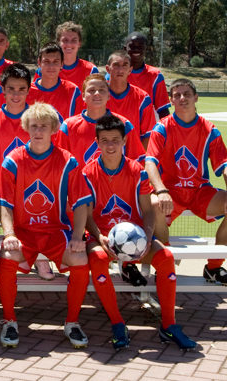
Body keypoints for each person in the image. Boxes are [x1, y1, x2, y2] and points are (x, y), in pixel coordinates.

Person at [83, 114, 197, 350]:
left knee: (165, 258)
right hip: (104, 237)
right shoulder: (87, 173)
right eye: (105, 140)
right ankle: (117, 323)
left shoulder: (138, 171)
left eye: (116, 139)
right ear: (97, 143)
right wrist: (98, 236)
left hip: (136, 238)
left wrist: (146, 237)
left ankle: (169, 325)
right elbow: (86, 214)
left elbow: (147, 210)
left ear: (125, 141)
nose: (111, 145)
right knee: (97, 259)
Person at [0, 102, 93, 349]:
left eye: (44, 126)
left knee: (80, 259)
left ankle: (72, 322)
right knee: (7, 255)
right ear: (26, 128)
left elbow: (81, 203)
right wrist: (8, 233)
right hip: (24, 232)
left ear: (54, 130)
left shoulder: (67, 161)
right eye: (34, 126)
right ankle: (9, 320)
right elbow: (5, 204)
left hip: (56, 232)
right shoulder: (13, 161)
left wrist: (78, 235)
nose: (38, 131)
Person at [146, 79, 227, 286]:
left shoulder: (209, 130)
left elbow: (226, 164)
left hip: (199, 191)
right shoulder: (162, 128)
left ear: (196, 97)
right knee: (154, 204)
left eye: (187, 94)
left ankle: (214, 267)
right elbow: (150, 163)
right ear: (171, 101)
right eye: (177, 95)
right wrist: (161, 190)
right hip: (170, 191)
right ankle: (165, 262)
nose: (182, 98)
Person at [0, 63, 55, 281]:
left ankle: (40, 256)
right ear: (3, 90)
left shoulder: (39, 120)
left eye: (21, 89)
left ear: (29, 90)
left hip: (31, 192)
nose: (16, 94)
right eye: (11, 89)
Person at [54, 73, 146, 169]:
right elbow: (60, 163)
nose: (97, 93)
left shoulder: (123, 124)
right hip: (79, 183)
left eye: (102, 90)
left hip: (115, 183)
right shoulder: (68, 126)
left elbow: (137, 161)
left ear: (109, 96)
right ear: (83, 96)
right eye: (91, 90)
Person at [105, 50, 157, 149]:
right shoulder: (98, 96)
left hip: (132, 159)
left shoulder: (142, 98)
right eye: (116, 65)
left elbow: (148, 135)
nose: (120, 70)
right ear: (108, 69)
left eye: (125, 65)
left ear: (130, 70)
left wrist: (136, 159)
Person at [28, 42, 84, 122]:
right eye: (46, 61)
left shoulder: (72, 90)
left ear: (62, 64)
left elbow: (79, 122)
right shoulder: (27, 91)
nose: (51, 66)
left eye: (56, 62)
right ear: (39, 63)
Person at [34, 22, 98, 87]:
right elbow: (35, 95)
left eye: (74, 40)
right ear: (58, 42)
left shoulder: (91, 70)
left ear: (79, 43)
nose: (69, 44)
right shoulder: (43, 70)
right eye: (65, 40)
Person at [124, 32, 170, 119]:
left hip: (146, 129)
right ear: (125, 48)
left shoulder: (155, 75)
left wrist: (167, 131)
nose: (136, 50)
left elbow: (163, 109)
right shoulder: (115, 73)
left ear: (147, 49)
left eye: (140, 47)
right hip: (120, 129)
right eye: (132, 46)